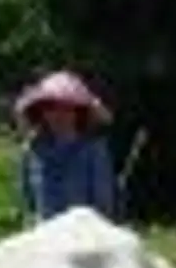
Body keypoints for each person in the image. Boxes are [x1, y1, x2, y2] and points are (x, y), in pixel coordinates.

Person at [15, 69, 119, 223]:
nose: (59, 114)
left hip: (85, 235)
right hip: (45, 234)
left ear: (78, 111)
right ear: (41, 112)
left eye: (66, 107)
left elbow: (104, 203)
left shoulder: (93, 150)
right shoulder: (32, 151)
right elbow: (28, 202)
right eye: (51, 107)